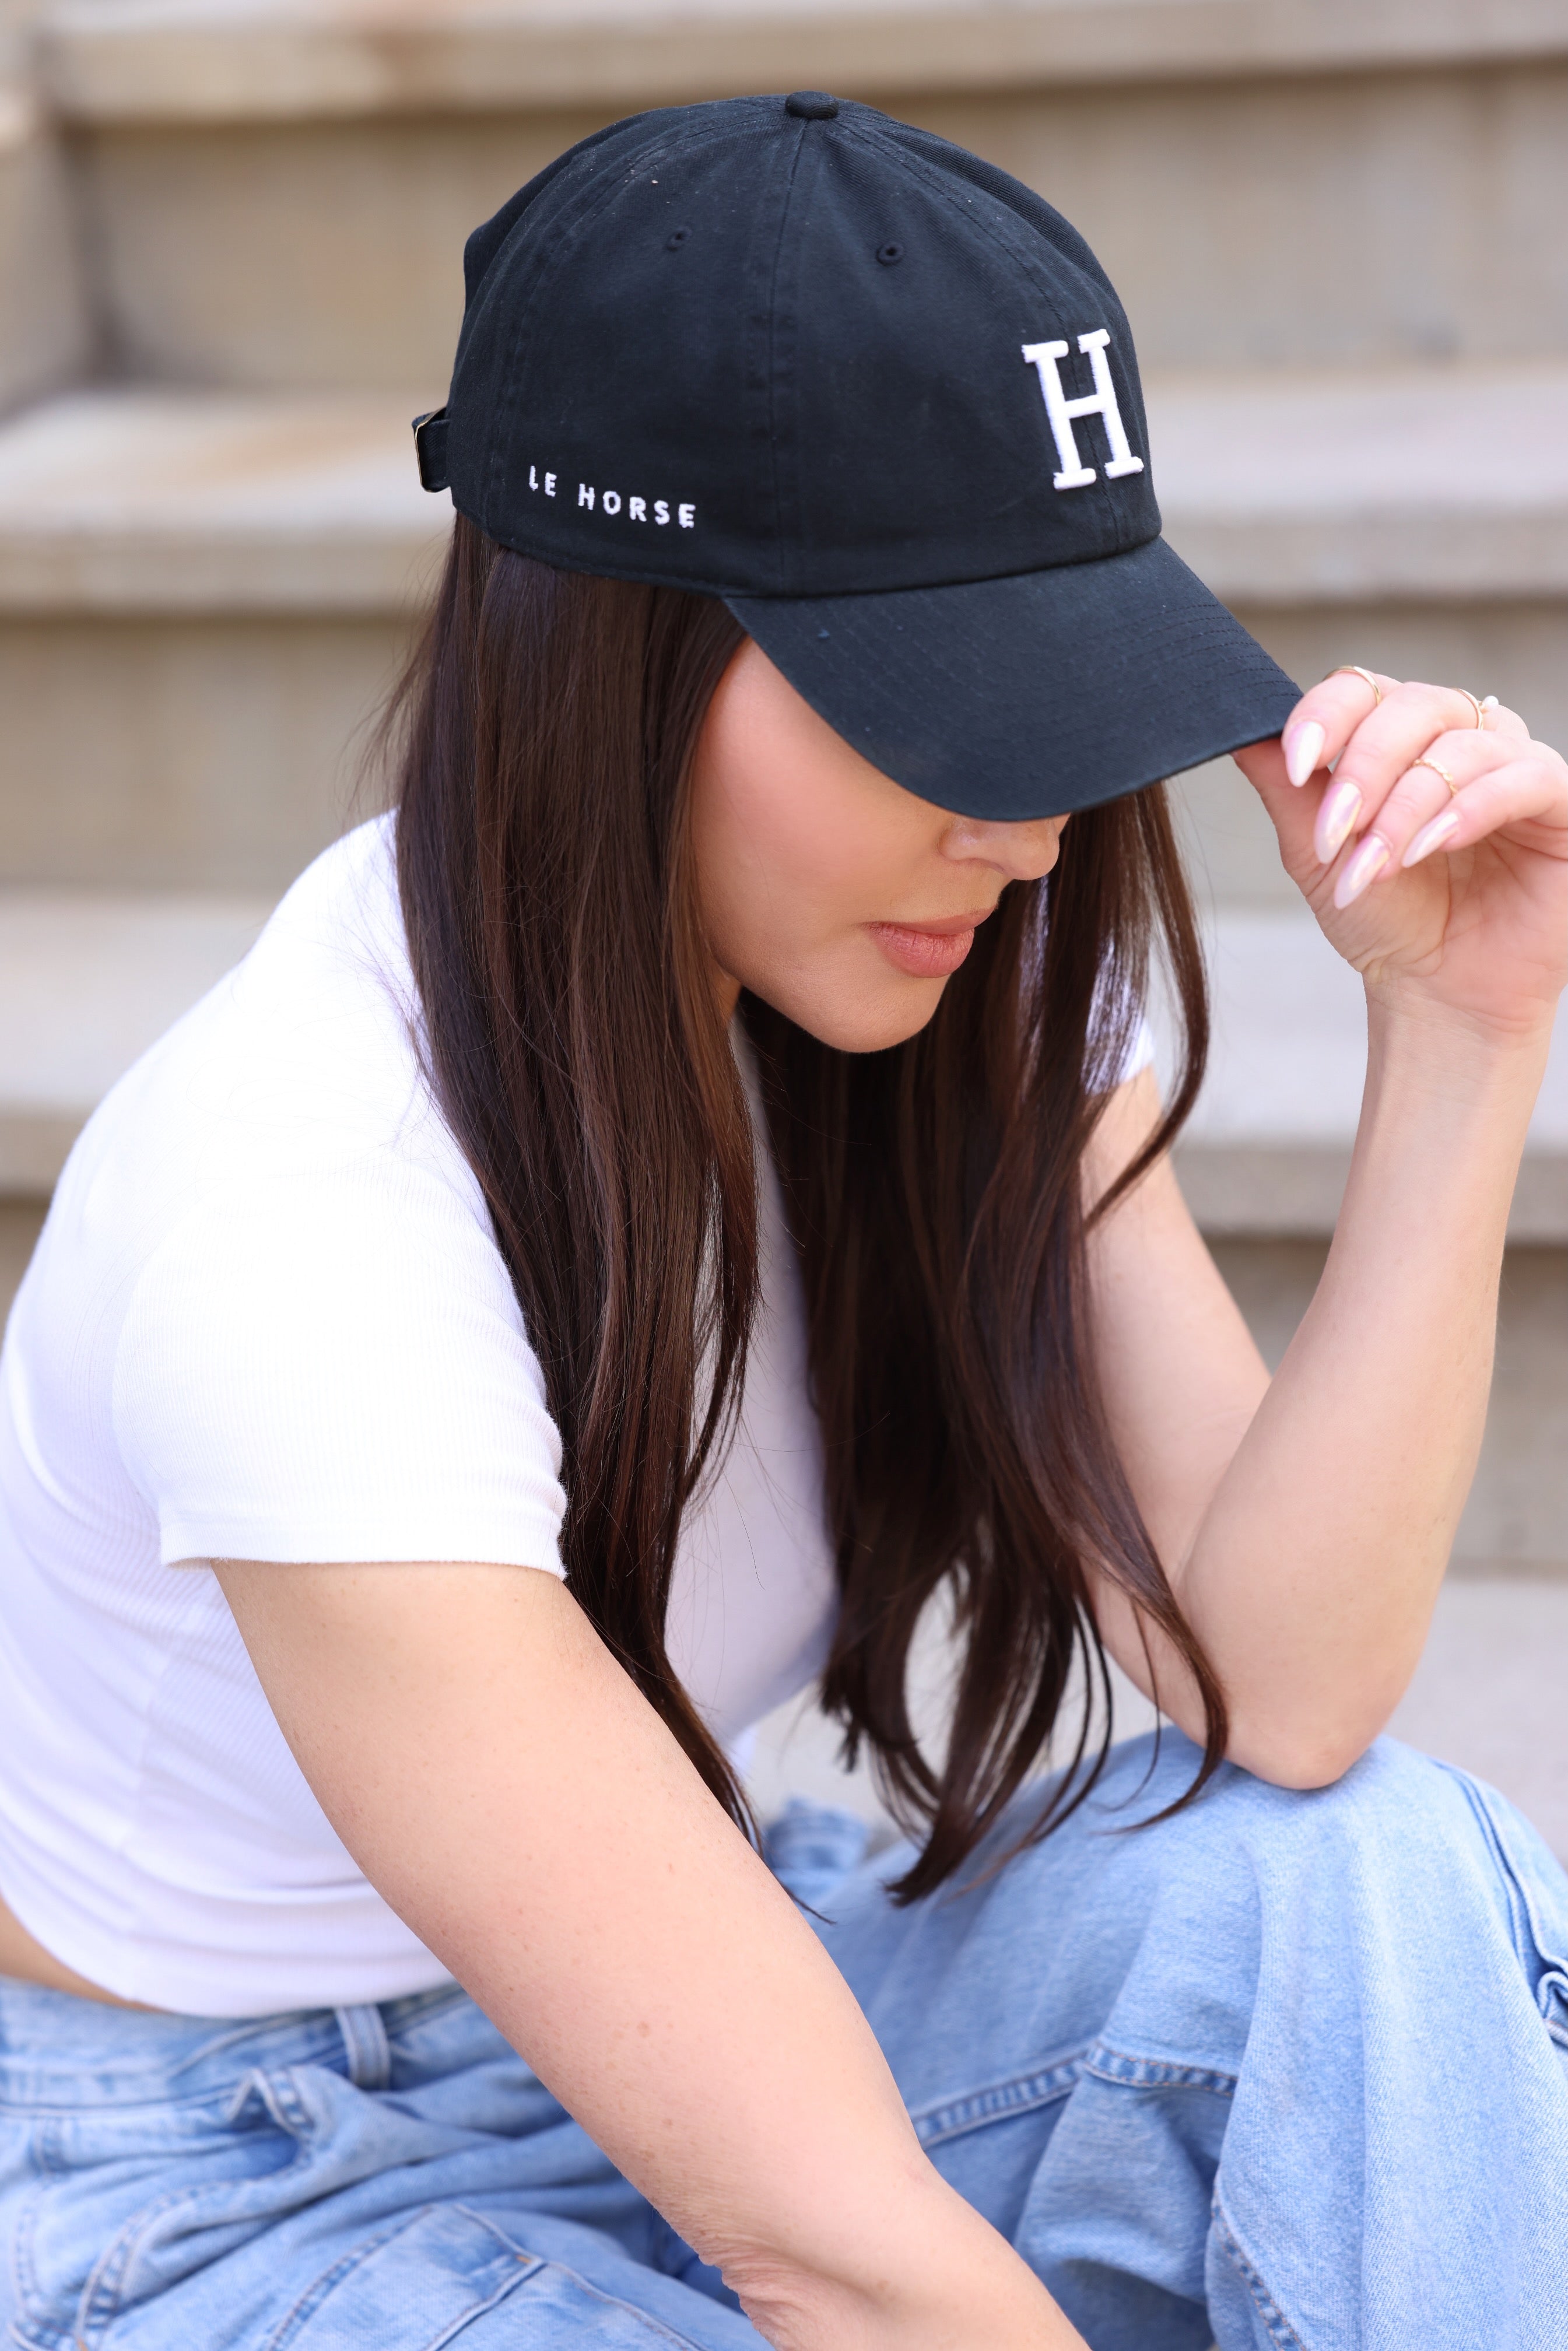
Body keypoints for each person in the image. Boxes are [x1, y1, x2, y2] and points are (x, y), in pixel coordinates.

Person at [1, 92, 1564, 2351]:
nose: (1024, 831)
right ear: (612, 658)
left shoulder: (958, 967)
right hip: (225, 2179)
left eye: (1062, 703)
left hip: (715, 1969)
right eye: (940, 709)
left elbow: (1286, 1688)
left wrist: (1465, 1035)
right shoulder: (298, 1212)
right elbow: (841, 2256)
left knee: (1388, 1897)